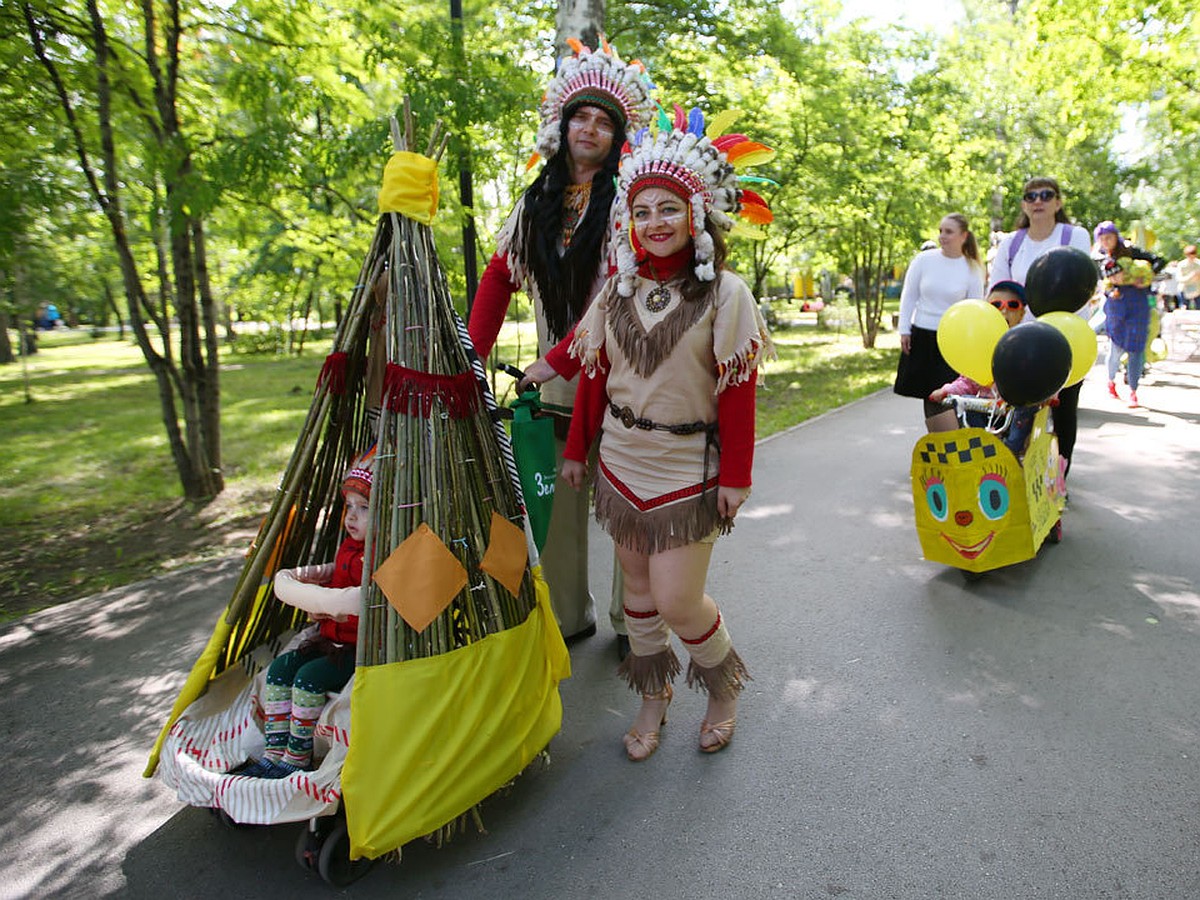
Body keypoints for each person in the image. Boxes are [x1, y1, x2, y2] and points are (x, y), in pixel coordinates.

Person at [561, 108, 775, 760]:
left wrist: (737, 476)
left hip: (689, 466)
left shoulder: (727, 294)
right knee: (641, 598)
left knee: (681, 601)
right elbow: (593, 376)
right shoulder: (617, 291)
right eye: (643, 210)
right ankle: (653, 695)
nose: (655, 222)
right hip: (622, 462)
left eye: (668, 209)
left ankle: (724, 685)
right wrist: (576, 451)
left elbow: (737, 389)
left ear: (695, 215)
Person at [468, 38, 655, 650]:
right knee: (561, 509)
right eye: (582, 117)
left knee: (629, 506)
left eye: (605, 123)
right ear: (563, 124)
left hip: (627, 375)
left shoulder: (631, 204)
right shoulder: (535, 204)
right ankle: (570, 615)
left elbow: (614, 298)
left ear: (616, 137)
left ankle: (638, 618)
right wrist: (472, 355)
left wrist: (552, 362)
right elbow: (500, 278)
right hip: (556, 381)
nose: (591, 129)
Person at [240, 451, 374, 778]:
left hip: (358, 647)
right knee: (281, 668)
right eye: (349, 507)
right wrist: (322, 593)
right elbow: (337, 577)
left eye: (364, 508)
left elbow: (370, 603)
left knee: (309, 678)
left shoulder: (377, 556)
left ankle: (296, 758)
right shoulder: (348, 547)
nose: (352, 517)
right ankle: (275, 751)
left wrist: (332, 609)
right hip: (329, 638)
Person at [988, 177, 1092, 476]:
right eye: (1031, 196)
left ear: (1057, 203)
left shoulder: (1074, 236)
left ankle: (1059, 479)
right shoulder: (1012, 243)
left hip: (1066, 339)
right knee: (1020, 413)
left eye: (1046, 195)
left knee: (1062, 413)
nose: (1038, 201)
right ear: (1023, 204)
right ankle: (1018, 475)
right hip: (1021, 343)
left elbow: (1080, 285)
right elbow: (997, 292)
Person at [893, 213, 987, 433]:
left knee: (949, 396)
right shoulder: (923, 260)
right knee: (930, 395)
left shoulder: (972, 268)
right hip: (923, 335)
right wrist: (904, 330)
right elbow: (909, 296)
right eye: (940, 231)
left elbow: (975, 307)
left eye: (949, 232)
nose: (942, 236)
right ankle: (939, 444)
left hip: (953, 341)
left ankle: (952, 443)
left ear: (963, 236)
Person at [928, 281, 1039, 457]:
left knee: (1027, 410)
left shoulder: (1028, 345)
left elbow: (1043, 372)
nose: (1004, 311)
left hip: (1018, 409)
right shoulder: (983, 343)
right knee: (965, 403)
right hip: (987, 410)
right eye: (996, 305)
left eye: (1012, 305)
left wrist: (1047, 392)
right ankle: (981, 446)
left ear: (1022, 313)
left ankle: (1011, 452)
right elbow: (968, 380)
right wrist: (947, 390)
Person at [1099, 257, 1152, 408]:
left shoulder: (1139, 285)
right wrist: (1111, 293)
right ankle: (1111, 381)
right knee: (1114, 354)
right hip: (1117, 328)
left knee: (1135, 354)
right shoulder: (1111, 289)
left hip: (1137, 324)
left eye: (1117, 274)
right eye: (1111, 276)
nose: (1115, 278)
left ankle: (1133, 391)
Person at [1177, 245, 1200, 311]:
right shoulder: (1181, 265)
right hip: (1184, 290)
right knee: (1184, 308)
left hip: (1197, 290)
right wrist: (1191, 275)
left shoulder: (1199, 264)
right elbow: (1179, 279)